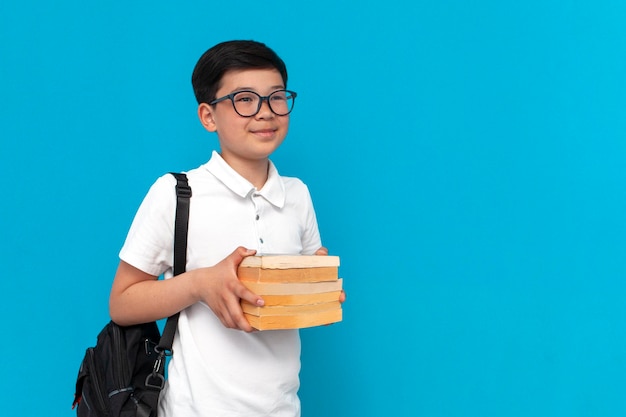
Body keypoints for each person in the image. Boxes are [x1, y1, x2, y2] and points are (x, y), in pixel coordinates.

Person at [108, 40, 344, 417]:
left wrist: (318, 288)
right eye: (244, 99)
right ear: (208, 116)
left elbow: (294, 300)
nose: (265, 112)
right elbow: (122, 303)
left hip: (283, 408)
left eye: (276, 97)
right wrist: (201, 284)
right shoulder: (176, 193)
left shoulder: (297, 195)